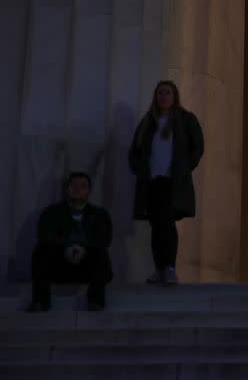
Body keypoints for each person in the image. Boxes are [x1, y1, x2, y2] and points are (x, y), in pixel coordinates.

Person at [128, 80, 204, 286]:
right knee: (156, 226)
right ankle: (159, 268)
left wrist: (185, 168)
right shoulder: (148, 122)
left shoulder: (185, 119)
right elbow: (135, 151)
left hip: (172, 182)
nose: (163, 96)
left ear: (174, 96)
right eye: (160, 93)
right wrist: (139, 169)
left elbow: (197, 147)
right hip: (152, 182)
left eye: (167, 92)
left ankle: (169, 267)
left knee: (167, 225)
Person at [27, 172, 113, 312]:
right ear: (67, 189)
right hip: (59, 266)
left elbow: (104, 239)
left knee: (100, 252)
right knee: (41, 249)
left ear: (89, 191)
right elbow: (44, 235)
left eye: (83, 186)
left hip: (88, 266)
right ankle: (40, 302)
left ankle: (95, 301)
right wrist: (66, 248)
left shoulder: (100, 214)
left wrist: (84, 249)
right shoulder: (52, 212)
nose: (78, 189)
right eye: (74, 185)